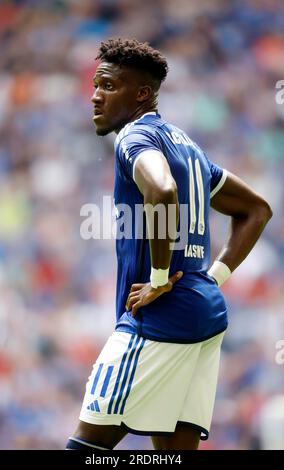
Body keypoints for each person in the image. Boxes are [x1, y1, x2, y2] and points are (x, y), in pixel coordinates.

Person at [66, 38, 272, 451]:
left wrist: (159, 277)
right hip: (205, 315)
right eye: (95, 85)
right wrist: (212, 276)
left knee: (86, 450)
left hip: (158, 319)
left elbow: (161, 190)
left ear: (141, 94)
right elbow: (257, 210)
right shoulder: (188, 146)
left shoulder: (133, 137)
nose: (95, 96)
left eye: (108, 85)